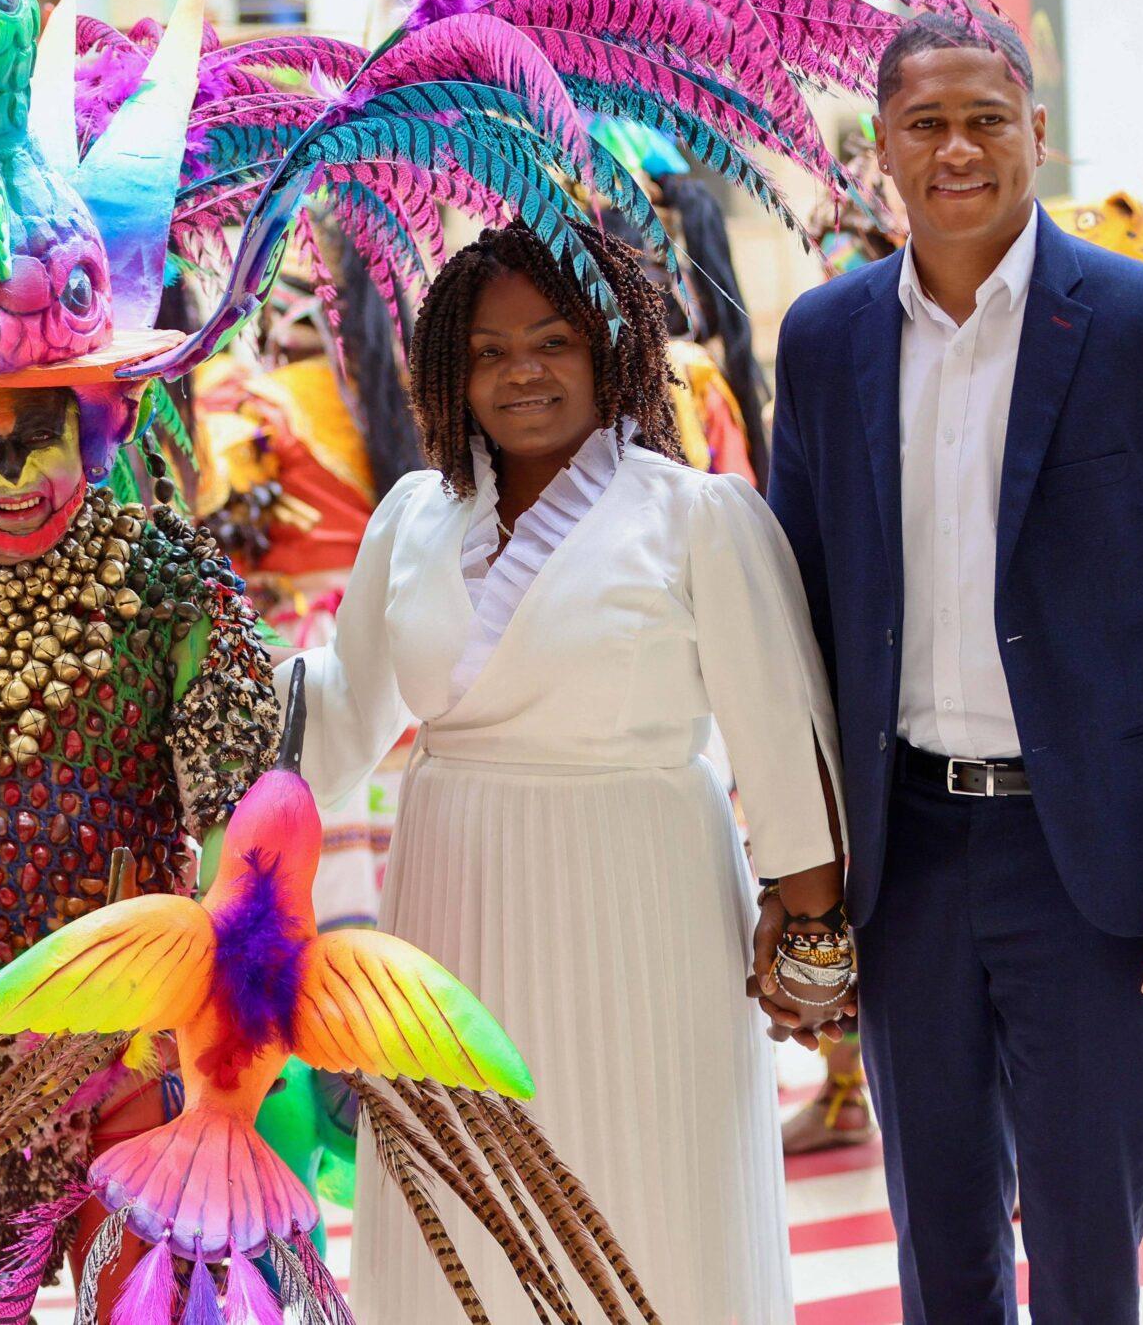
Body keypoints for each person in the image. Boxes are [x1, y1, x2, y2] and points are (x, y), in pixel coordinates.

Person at [293, 221, 847, 1324]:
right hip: (451, 902)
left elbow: (780, 733)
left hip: (648, 905)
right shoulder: (411, 517)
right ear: (451, 371)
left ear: (610, 349)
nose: (522, 373)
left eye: (551, 342)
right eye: (489, 352)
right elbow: (343, 714)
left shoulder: (695, 516)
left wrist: (813, 927)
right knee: (462, 1202)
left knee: (650, 1184)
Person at [767, 10, 1143, 1323]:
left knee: (1091, 1242)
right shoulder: (826, 343)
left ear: (1036, 133)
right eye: (926, 123)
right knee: (943, 1241)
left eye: (986, 119)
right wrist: (797, 871)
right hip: (905, 854)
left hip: (1092, 864)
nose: (958, 147)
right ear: (884, 155)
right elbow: (789, 624)